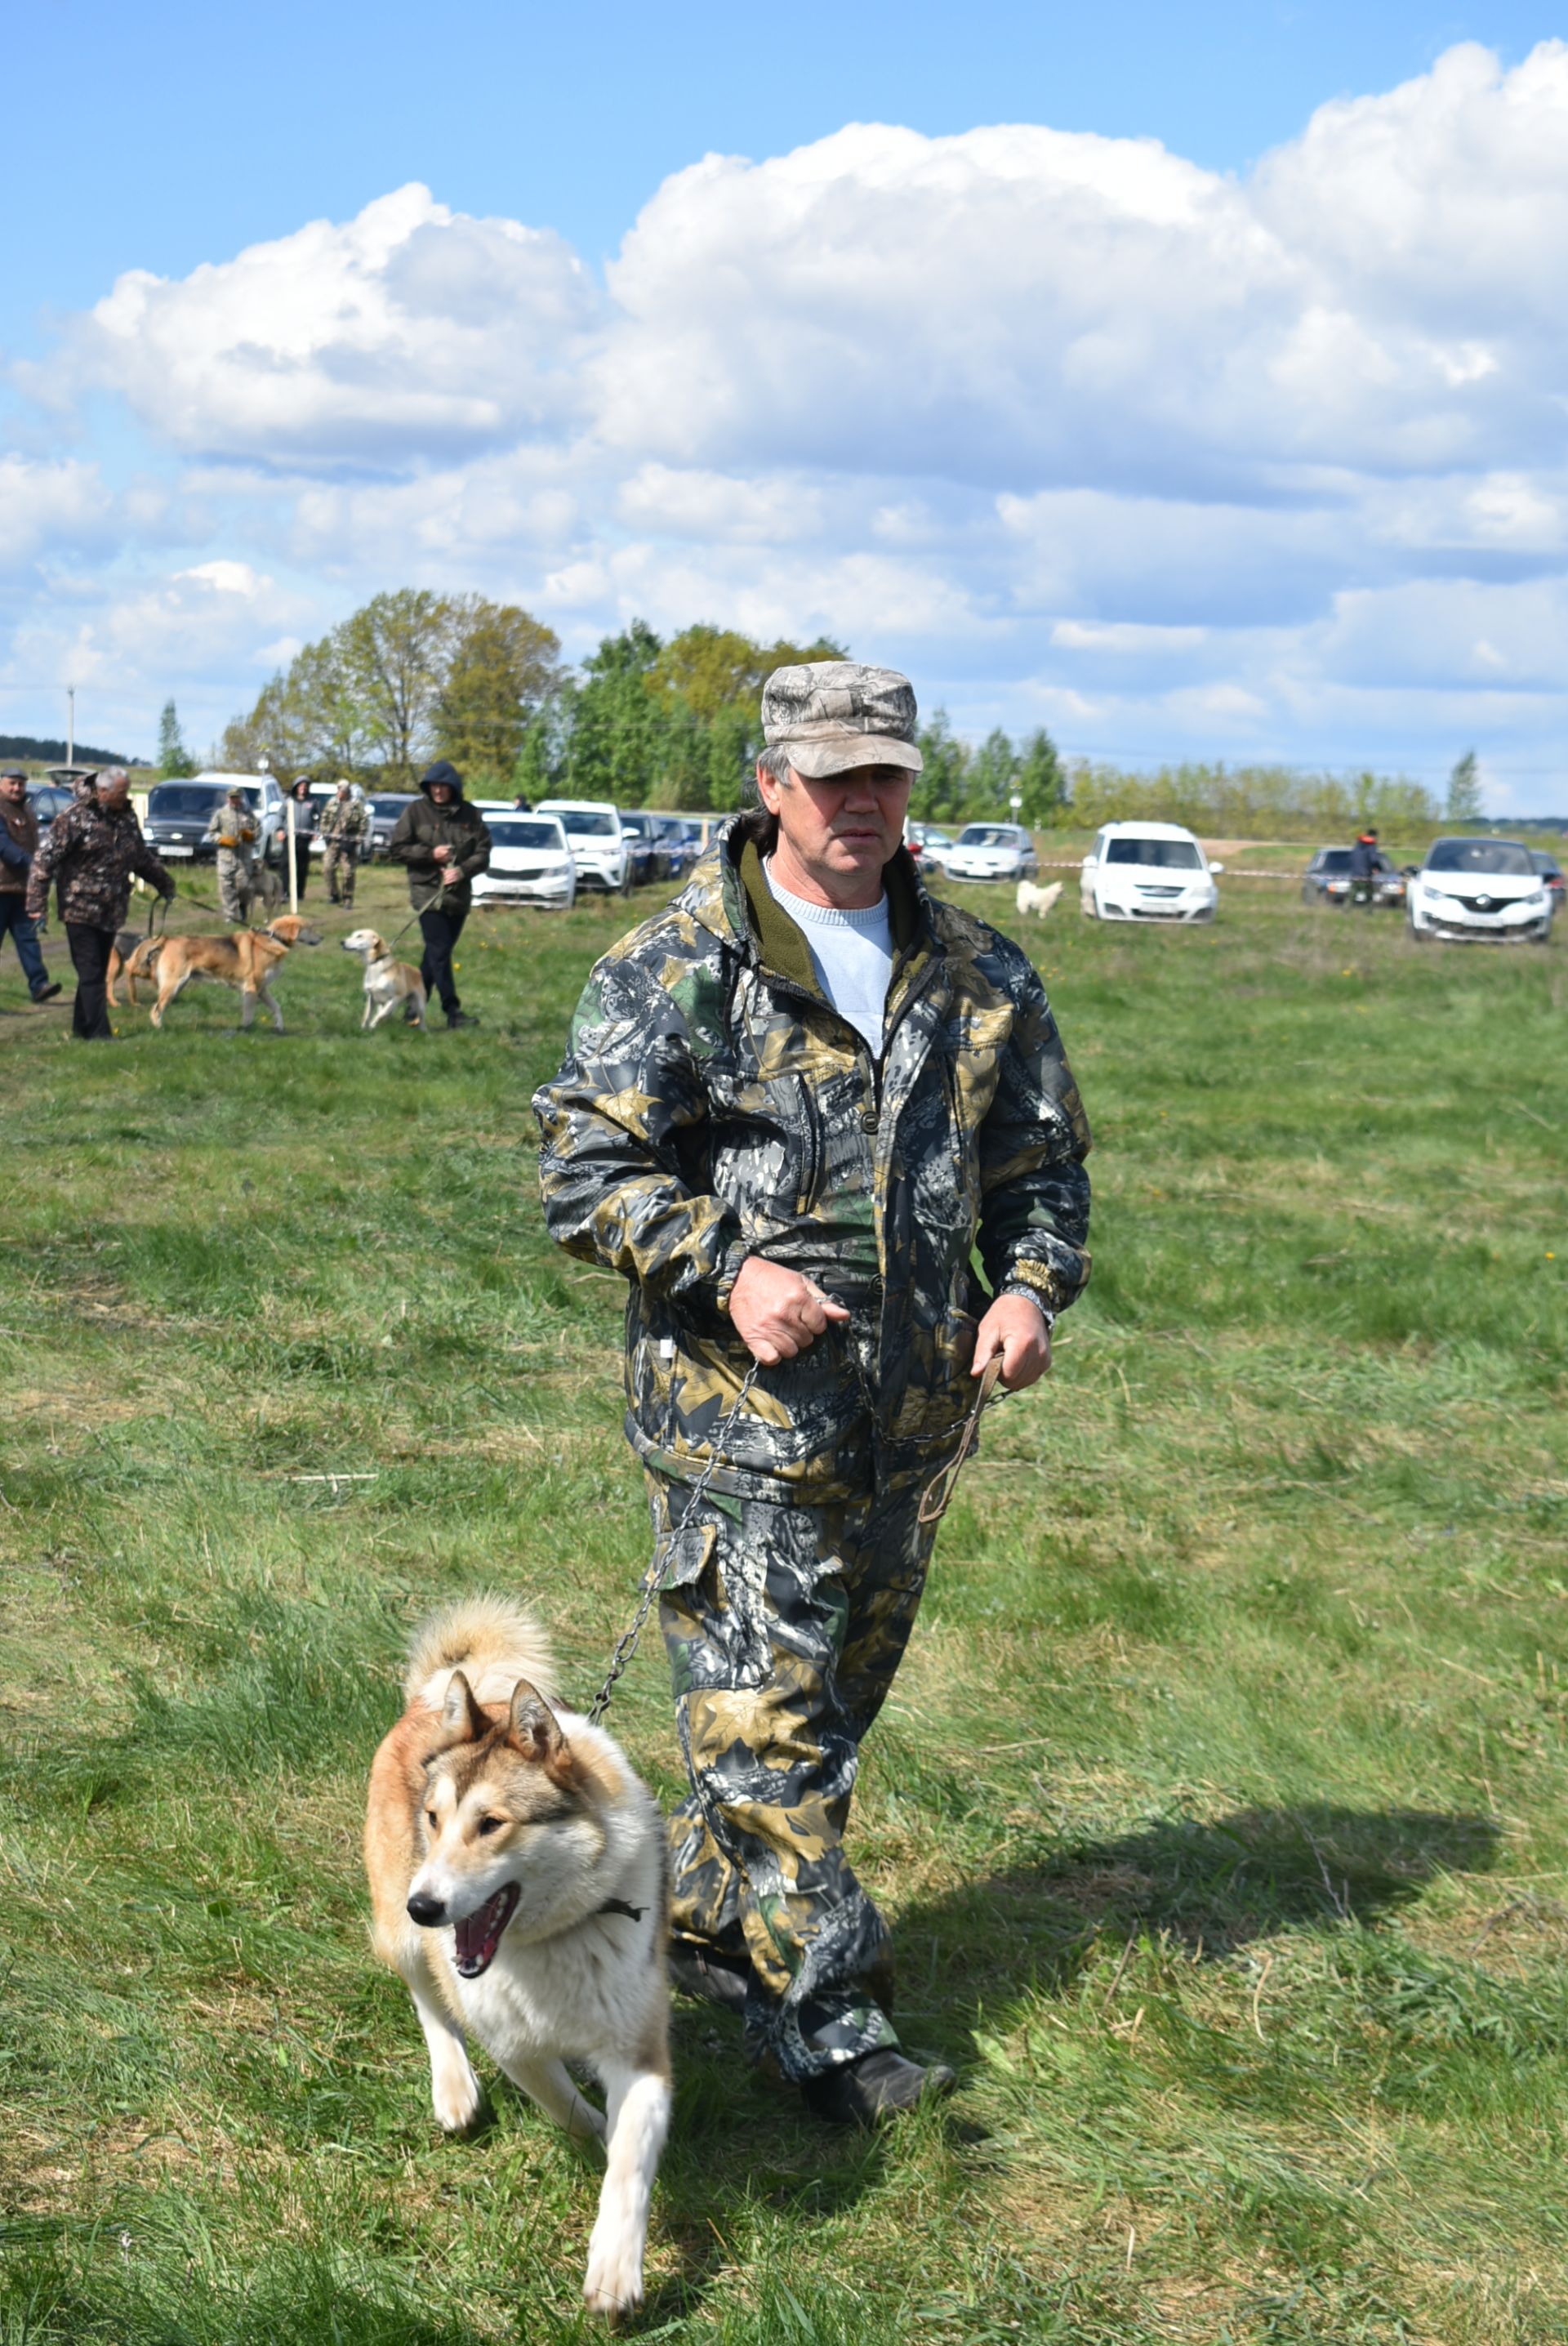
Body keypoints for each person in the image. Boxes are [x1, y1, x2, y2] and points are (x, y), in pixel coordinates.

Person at [534, 661, 1092, 2127]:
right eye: (833, 775)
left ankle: (717, 1925)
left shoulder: (979, 972)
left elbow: (1042, 1169)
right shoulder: (678, 963)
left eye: (885, 775)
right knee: (763, 1726)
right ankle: (831, 2021)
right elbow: (588, 1171)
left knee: (825, 1717)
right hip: (739, 1434)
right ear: (769, 784)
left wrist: (1028, 1287)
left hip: (911, 1434)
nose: (862, 801)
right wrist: (729, 1272)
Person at [25, 767, 174, 1039]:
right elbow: (43, 862)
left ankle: (81, 1029)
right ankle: (99, 1033)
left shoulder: (127, 817)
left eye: (127, 791)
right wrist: (36, 905)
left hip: (112, 910)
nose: (125, 797)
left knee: (91, 972)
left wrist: (165, 884)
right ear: (102, 792)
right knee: (92, 971)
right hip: (78, 908)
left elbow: (139, 857)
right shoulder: (74, 818)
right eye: (121, 792)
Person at [386, 760, 492, 1030]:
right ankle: (452, 1011)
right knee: (440, 952)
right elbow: (397, 848)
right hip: (427, 894)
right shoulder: (415, 812)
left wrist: (462, 871)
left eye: (443, 786)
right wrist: (430, 855)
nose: (438, 790)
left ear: (453, 787)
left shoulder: (471, 815)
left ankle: (412, 1010)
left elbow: (483, 853)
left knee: (434, 956)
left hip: (458, 897)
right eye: (433, 785)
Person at [0, 765, 61, 1002]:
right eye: (12, 783)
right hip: (1, 888)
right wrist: (35, 865)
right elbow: (5, 848)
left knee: (28, 940)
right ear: (2, 784)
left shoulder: (27, 810)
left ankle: (39, 986)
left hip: (23, 889)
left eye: (20, 784)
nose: (17, 788)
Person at [207, 783, 260, 923]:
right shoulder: (221, 814)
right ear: (227, 798)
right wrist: (222, 839)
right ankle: (230, 915)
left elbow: (258, 831)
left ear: (241, 798)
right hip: (226, 858)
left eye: (237, 797)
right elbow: (211, 833)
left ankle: (243, 907)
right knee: (226, 887)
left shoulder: (248, 814)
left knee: (245, 887)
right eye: (232, 797)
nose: (234, 800)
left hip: (244, 858)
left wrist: (251, 835)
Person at [318, 781, 368, 907]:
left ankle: (347, 898)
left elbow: (364, 821)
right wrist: (324, 832)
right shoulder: (331, 803)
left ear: (347, 792)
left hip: (348, 843)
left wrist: (359, 836)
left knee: (348, 872)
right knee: (327, 868)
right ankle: (334, 894)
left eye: (342, 791)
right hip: (333, 842)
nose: (339, 793)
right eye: (338, 790)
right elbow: (324, 818)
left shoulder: (356, 804)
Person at [286, 778, 316, 902]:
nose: (303, 788)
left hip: (304, 839)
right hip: (289, 838)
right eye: (301, 786)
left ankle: (299, 893)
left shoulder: (313, 802)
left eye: (305, 786)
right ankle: (286, 892)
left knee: (302, 867)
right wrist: (280, 830)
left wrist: (315, 833)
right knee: (287, 866)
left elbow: (317, 819)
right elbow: (280, 816)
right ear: (296, 787)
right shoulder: (288, 801)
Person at [1348, 827, 1380, 908]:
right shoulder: (1371, 846)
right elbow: (1374, 859)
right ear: (1374, 836)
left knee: (1352, 894)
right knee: (1369, 894)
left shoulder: (1358, 844)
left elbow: (1352, 857)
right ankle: (1369, 912)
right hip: (1366, 874)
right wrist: (1377, 868)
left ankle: (1346, 910)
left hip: (1354, 874)